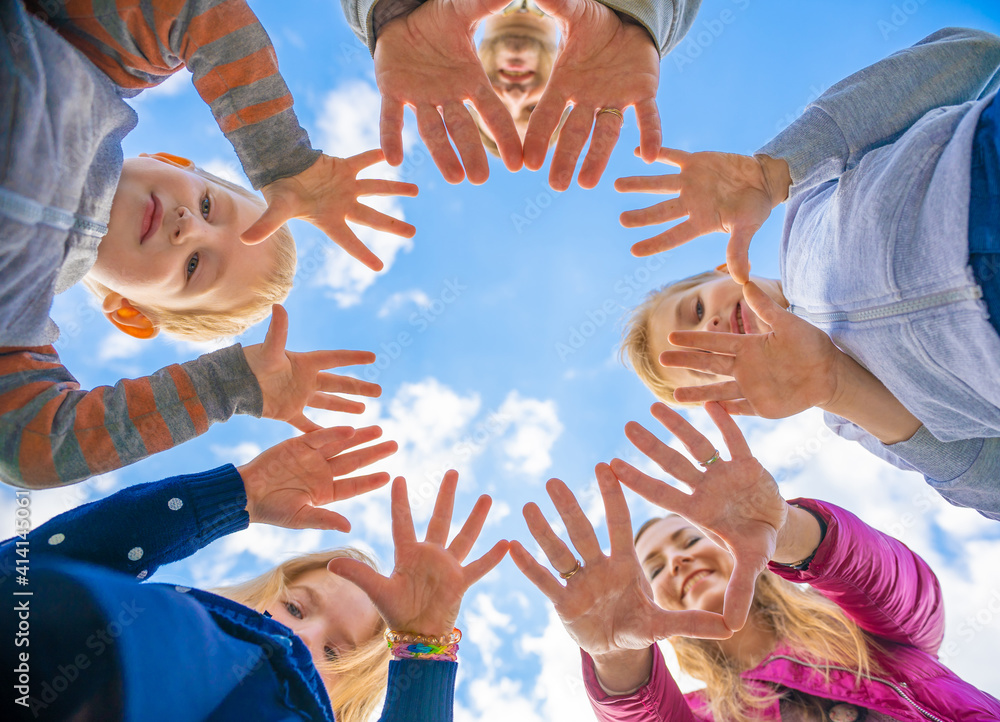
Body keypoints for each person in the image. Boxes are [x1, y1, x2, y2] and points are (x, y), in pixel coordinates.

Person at [0, 0, 417, 488]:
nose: (188, 228)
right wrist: (284, 160)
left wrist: (230, 387)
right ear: (171, 159)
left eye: (195, 265)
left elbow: (36, 450)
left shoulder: (15, 326)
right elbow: (195, 10)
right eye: (206, 206)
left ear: (129, 312)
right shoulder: (96, 66)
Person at [617, 28, 1000, 520]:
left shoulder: (805, 197)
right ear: (731, 395)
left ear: (719, 271)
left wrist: (772, 172)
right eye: (702, 357)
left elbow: (969, 55)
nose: (709, 330)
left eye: (694, 310)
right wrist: (837, 384)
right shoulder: (851, 418)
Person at [511, 402, 1000, 721]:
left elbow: (907, 593)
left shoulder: (853, 628)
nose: (677, 563)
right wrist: (617, 657)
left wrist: (785, 531)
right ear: (650, 601)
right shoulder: (703, 712)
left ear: (728, 546)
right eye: (655, 568)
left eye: (687, 542)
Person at [0, 422, 508, 721]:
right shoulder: (181, 624)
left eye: (334, 652)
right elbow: (25, 574)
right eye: (294, 606)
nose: (299, 634)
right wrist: (234, 493)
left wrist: (423, 644)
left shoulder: (288, 698)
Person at [339, 0, 701, 189]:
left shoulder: (420, 19)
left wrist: (394, 9)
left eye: (497, 103)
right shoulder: (631, 27)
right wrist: (636, 15)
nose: (513, 93)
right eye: (533, 108)